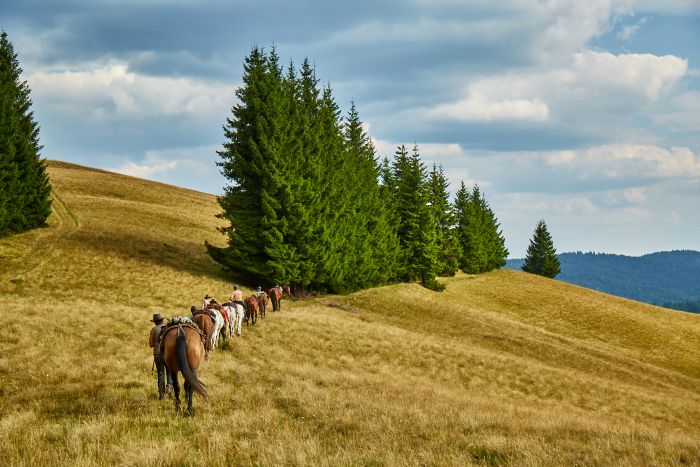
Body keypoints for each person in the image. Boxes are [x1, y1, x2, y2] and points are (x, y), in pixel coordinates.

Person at [148, 313, 173, 400]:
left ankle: (162, 395)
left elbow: (151, 344)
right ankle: (169, 386)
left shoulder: (153, 330)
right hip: (167, 354)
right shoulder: (168, 328)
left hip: (158, 354)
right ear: (162, 320)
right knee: (169, 371)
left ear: (155, 322)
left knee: (160, 374)